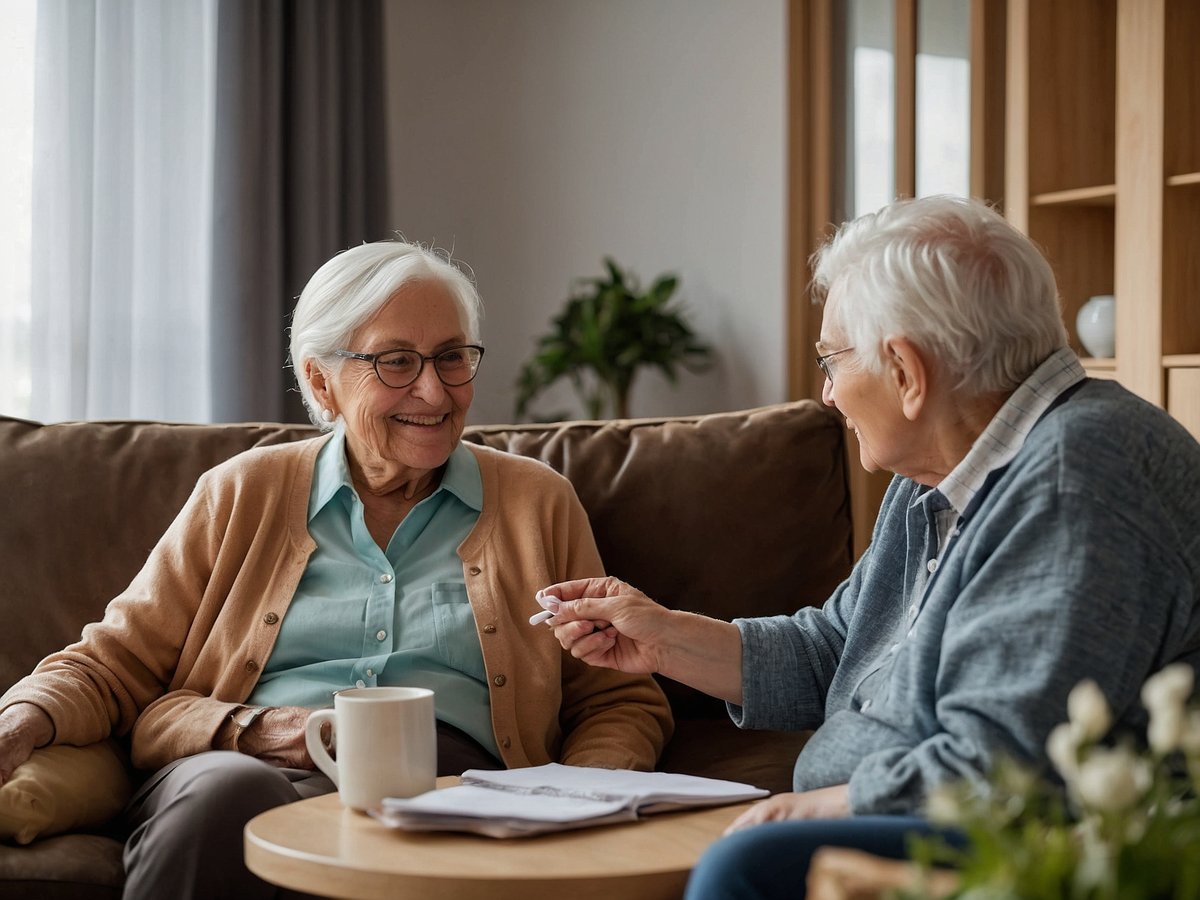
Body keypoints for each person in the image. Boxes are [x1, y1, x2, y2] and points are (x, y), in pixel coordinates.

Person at [537, 195, 1200, 899]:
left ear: (907, 372)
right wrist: (664, 640)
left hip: (1038, 840)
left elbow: (1002, 766)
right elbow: (838, 649)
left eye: (831, 360)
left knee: (747, 868)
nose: (827, 394)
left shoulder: (1076, 480)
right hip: (940, 810)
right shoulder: (941, 475)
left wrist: (826, 804)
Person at [0, 240, 672, 899]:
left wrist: (580, 796)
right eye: (397, 362)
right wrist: (24, 718)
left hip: (455, 791)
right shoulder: (240, 493)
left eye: (450, 357)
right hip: (244, 768)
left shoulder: (536, 503)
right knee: (228, 796)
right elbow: (113, 663)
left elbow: (617, 698)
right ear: (322, 381)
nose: (434, 390)